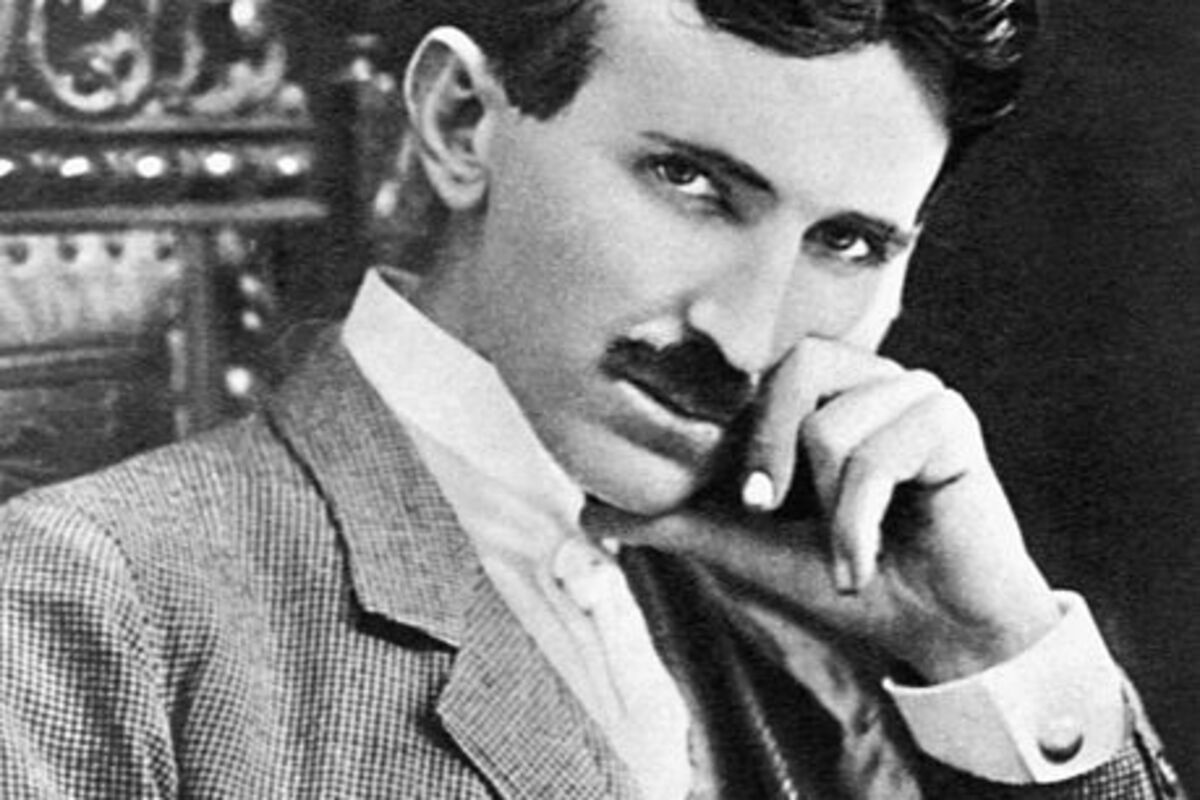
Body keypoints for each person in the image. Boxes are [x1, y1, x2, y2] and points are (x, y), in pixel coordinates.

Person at [0, 0, 1186, 797]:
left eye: (849, 242)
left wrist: (986, 645)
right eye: (691, 181)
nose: (744, 335)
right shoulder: (91, 599)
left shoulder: (837, 624)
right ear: (462, 123)